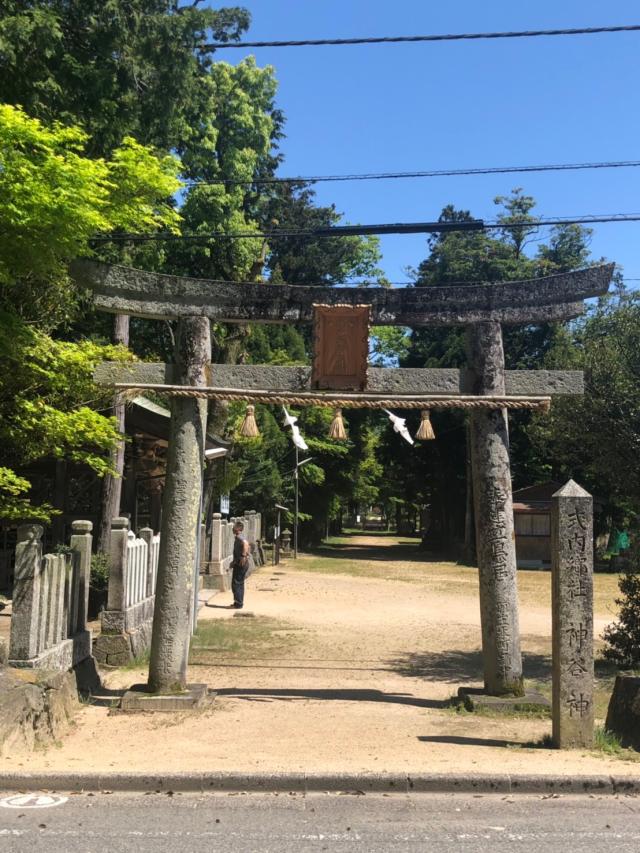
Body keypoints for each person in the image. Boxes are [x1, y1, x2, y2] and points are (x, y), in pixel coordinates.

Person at [231, 521, 251, 609]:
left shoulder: (240, 537)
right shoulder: (237, 537)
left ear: (238, 529)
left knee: (237, 583)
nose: (232, 528)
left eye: (234, 527)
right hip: (238, 562)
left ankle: (238, 603)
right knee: (238, 583)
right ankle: (238, 602)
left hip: (242, 563)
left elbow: (246, 544)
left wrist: (243, 556)